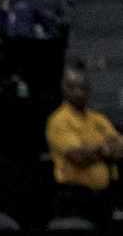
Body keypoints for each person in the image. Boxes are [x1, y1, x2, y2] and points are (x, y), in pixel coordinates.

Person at [46, 61, 122, 194]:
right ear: (64, 89)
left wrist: (95, 151)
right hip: (75, 193)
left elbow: (119, 149)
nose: (79, 93)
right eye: (72, 88)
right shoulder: (59, 120)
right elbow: (78, 158)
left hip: (105, 192)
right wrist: (104, 151)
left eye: (83, 88)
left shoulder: (98, 118)